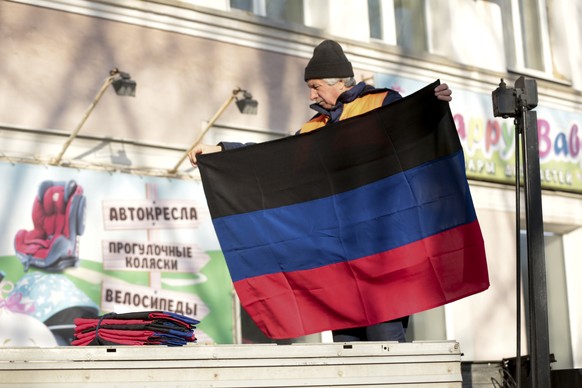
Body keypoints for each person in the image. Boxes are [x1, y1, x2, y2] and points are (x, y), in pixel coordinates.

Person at [189, 40, 452, 343]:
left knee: (385, 344)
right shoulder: (315, 128)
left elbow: (413, 127)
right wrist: (220, 152)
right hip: (339, 260)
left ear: (339, 82)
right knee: (347, 348)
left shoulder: (381, 103)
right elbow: (274, 158)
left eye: (315, 86)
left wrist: (433, 103)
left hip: (383, 253)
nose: (311, 95)